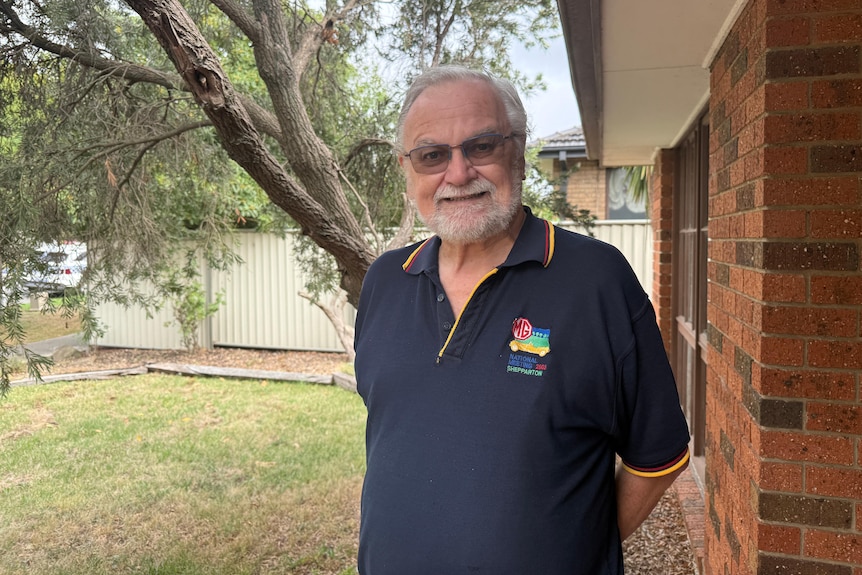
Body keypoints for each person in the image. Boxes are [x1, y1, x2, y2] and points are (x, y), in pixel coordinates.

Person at [353, 66, 690, 575]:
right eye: (431, 155)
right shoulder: (385, 281)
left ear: (518, 152)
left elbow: (657, 458)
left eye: (482, 146)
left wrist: (578, 553)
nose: (458, 173)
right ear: (408, 169)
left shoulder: (596, 280)